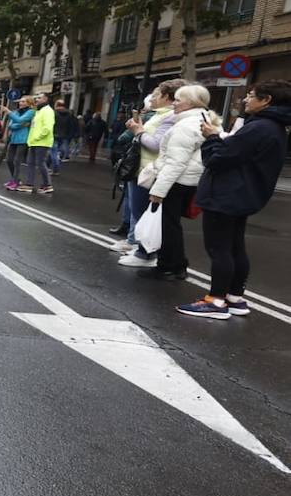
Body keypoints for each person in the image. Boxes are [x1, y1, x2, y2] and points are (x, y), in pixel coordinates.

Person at [177, 80, 291, 318]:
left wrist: (211, 137)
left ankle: (215, 300)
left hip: (226, 194)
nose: (245, 99)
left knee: (219, 249)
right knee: (235, 247)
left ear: (266, 100)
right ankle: (234, 297)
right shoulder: (274, 127)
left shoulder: (258, 127)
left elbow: (218, 159)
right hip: (244, 194)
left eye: (250, 95)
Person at [138, 84, 212, 282]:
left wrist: (159, 191)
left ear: (191, 103)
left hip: (177, 181)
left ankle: (171, 266)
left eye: (178, 100)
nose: (175, 103)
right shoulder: (203, 120)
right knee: (171, 224)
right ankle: (173, 264)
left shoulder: (186, 126)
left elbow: (175, 162)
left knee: (168, 225)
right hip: (188, 180)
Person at [115, 81, 182, 265]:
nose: (152, 98)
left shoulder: (168, 117)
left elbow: (156, 145)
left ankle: (146, 254)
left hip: (149, 170)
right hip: (143, 168)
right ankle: (142, 250)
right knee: (140, 211)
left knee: (144, 212)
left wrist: (138, 131)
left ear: (166, 97)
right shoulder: (159, 115)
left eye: (156, 94)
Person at [22, 95, 55, 194]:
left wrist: (38, 137)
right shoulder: (39, 111)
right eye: (36, 98)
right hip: (34, 142)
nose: (36, 99)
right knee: (30, 163)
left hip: (42, 142)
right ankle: (29, 184)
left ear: (45, 99)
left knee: (41, 163)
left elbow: (47, 128)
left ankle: (47, 185)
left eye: (39, 98)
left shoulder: (48, 111)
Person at [3, 98, 33, 191]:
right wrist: (20, 124)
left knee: (17, 161)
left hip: (23, 139)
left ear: (29, 103)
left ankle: (15, 182)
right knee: (9, 160)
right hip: (14, 139)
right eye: (20, 101)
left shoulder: (30, 112)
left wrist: (9, 113)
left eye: (23, 101)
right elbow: (11, 125)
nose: (21, 103)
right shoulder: (16, 112)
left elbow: (19, 120)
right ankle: (14, 179)